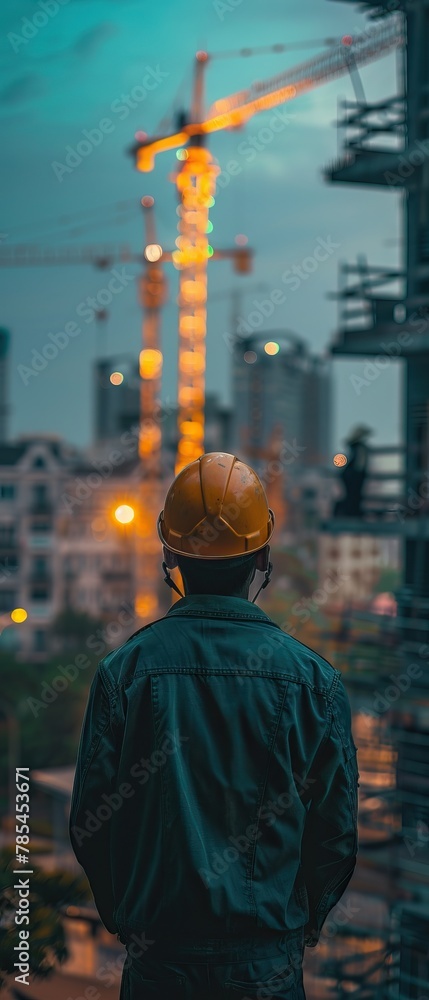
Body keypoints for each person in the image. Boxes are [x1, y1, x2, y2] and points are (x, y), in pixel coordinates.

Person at [69, 452, 359, 1000]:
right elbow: (336, 834)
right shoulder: (312, 682)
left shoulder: (124, 674)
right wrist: (302, 924)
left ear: (169, 555)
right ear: (263, 557)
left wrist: (126, 920)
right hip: (265, 964)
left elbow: (91, 823)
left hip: (159, 962)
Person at [334, 425, 372, 517]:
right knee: (354, 494)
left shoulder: (354, 447)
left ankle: (348, 512)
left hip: (349, 474)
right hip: (355, 475)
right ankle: (352, 512)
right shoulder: (360, 447)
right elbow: (360, 465)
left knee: (351, 495)